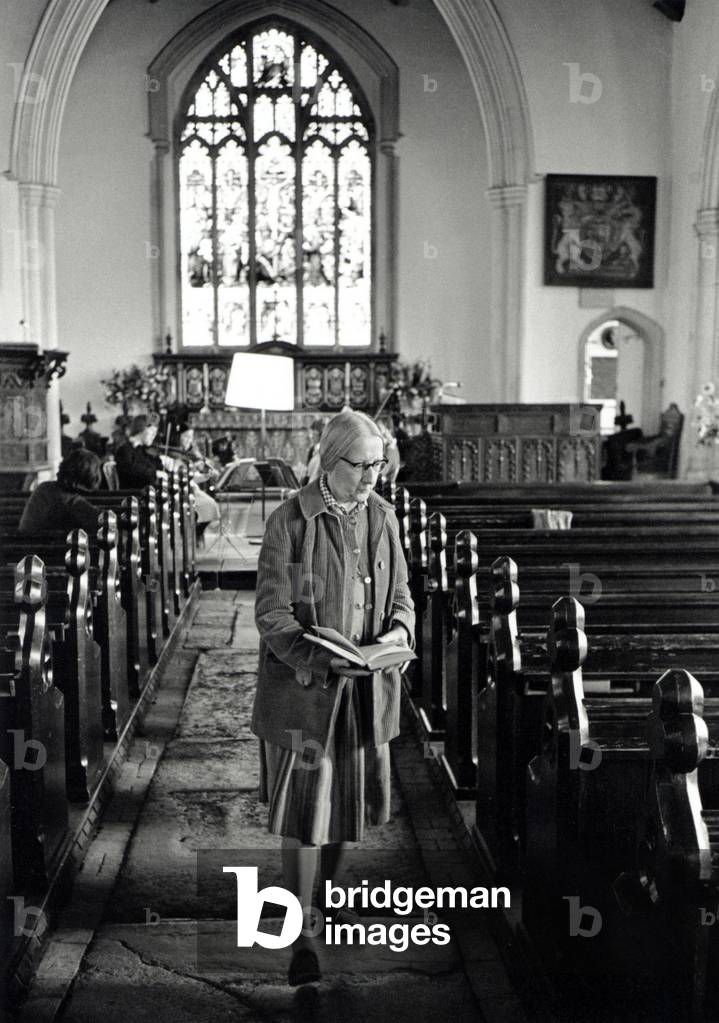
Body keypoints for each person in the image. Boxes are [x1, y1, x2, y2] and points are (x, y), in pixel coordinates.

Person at [252, 410, 415, 987]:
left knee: (349, 804)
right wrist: (321, 655)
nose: (372, 476)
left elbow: (401, 595)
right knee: (304, 813)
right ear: (329, 459)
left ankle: (326, 898)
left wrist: (398, 631)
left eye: (378, 464)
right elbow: (274, 614)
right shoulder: (292, 521)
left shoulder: (385, 517)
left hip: (367, 689)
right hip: (308, 692)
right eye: (360, 464)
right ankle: (299, 931)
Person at [18, 448, 102, 537]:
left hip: (27, 544)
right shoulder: (70, 500)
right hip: (45, 547)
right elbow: (100, 520)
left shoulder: (45, 487)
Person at [114, 413, 171, 489]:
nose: (153, 436)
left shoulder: (143, 450)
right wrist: (154, 473)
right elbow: (132, 470)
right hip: (133, 494)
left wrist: (163, 462)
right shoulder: (124, 450)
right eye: (152, 432)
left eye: (155, 433)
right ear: (141, 428)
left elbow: (153, 465)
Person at [300, 418, 324, 486]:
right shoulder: (312, 449)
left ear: (321, 436)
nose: (311, 437)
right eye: (311, 434)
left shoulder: (322, 451)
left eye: (314, 434)